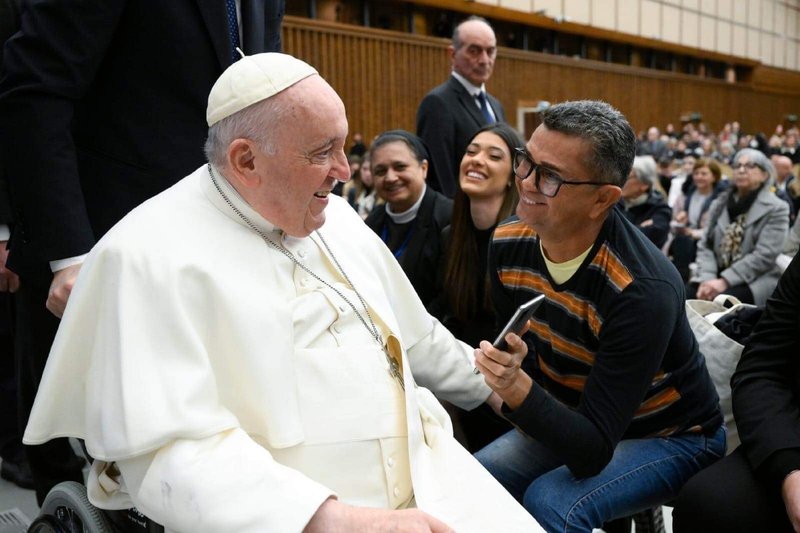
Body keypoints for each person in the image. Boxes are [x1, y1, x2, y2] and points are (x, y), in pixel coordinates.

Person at [22, 53, 541, 533]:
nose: (345, 171)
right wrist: (333, 519)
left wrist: (499, 391)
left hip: (432, 472)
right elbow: (170, 453)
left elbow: (416, 335)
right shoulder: (144, 256)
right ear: (246, 160)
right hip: (297, 515)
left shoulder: (337, 217)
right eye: (323, 152)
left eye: (342, 146)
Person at [0, 0, 285, 504]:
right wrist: (69, 256)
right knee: (93, 484)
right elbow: (36, 92)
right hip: (98, 260)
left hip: (215, 264)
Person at [473, 100, 724, 531]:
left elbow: (591, 451)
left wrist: (516, 388)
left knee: (550, 502)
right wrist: (515, 374)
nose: (527, 182)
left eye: (549, 175)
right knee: (474, 483)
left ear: (603, 199)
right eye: (525, 162)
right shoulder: (508, 242)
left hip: (675, 435)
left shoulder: (641, 288)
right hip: (581, 417)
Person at [671, 250, 800, 533]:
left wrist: (726, 278)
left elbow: (766, 253)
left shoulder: (772, 208)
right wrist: (790, 470)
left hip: (754, 277)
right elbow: (763, 367)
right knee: (708, 503)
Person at [432, 122, 522, 453]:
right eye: (471, 152)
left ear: (513, 176)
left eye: (493, 156)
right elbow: (449, 315)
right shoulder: (450, 236)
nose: (477, 160)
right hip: (466, 377)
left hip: (509, 389)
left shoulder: (523, 240)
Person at [416, 16, 506, 198]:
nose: (484, 60)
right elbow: (440, 179)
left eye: (490, 51)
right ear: (452, 54)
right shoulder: (437, 103)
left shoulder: (495, 105)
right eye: (474, 51)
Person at [365, 131, 453, 310]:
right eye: (380, 171)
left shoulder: (449, 218)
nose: (390, 178)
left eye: (400, 167)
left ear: (424, 168)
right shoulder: (370, 224)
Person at [691, 148, 789, 305]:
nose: (741, 170)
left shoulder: (777, 208)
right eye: (737, 165)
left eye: (750, 166)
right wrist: (708, 278)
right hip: (713, 273)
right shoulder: (719, 203)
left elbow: (765, 255)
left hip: (754, 278)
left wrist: (724, 281)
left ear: (765, 175)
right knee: (683, 297)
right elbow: (705, 245)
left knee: (720, 305)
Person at [669, 158, 727, 280]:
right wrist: (680, 219)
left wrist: (694, 233)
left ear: (714, 177)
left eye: (704, 174)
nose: (699, 177)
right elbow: (673, 218)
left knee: (684, 242)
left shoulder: (721, 200)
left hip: (707, 240)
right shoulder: (685, 195)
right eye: (696, 173)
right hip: (684, 237)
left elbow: (719, 228)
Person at [618, 155, 672, 249]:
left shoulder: (660, 209)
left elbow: (651, 240)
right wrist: (639, 228)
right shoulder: (615, 203)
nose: (621, 181)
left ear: (644, 184)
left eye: (628, 177)